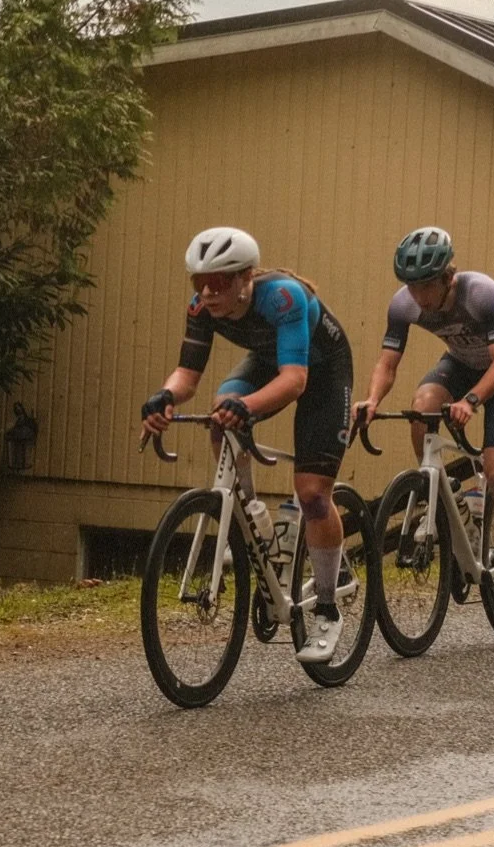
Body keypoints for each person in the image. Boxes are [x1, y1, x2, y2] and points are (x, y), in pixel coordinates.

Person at [139, 227, 358, 663]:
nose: (207, 292)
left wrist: (248, 406)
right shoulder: (202, 306)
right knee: (221, 413)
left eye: (218, 281)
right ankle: (254, 521)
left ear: (245, 278)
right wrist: (164, 396)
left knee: (313, 494)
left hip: (322, 372)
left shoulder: (283, 297)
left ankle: (328, 610)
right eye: (199, 281)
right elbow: (187, 376)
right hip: (268, 362)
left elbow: (295, 381)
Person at [354, 226, 494, 608]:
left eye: (425, 286)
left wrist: (470, 401)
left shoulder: (481, 293)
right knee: (421, 406)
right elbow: (387, 364)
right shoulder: (403, 305)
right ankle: (450, 498)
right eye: (410, 286)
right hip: (460, 364)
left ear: (447, 277)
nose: (417, 296)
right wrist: (371, 400)